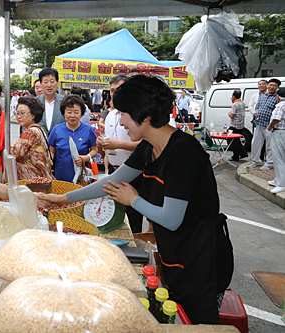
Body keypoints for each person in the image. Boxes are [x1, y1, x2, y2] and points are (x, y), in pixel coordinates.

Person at [38, 75, 234, 325]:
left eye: (124, 113)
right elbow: (111, 182)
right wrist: (63, 198)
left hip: (201, 258)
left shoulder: (184, 154)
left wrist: (134, 200)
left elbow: (171, 220)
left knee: (198, 322)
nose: (120, 121)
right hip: (174, 252)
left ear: (146, 116)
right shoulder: (148, 147)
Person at [96, 74, 144, 233]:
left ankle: (134, 251)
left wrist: (119, 144)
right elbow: (110, 141)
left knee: (133, 218)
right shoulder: (110, 115)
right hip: (115, 172)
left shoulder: (138, 114)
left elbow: (145, 145)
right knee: (114, 217)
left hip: (135, 173)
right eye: (112, 90)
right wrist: (102, 144)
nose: (114, 94)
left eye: (119, 89)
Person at [48, 94, 97, 183]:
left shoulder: (88, 130)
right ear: (63, 112)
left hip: (81, 178)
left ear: (82, 112)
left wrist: (86, 157)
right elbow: (51, 151)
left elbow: (95, 150)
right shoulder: (56, 130)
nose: (72, 116)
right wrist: (48, 164)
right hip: (60, 177)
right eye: (69, 112)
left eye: (76, 112)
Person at [11, 96, 53, 181]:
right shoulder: (39, 129)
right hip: (40, 178)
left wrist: (13, 145)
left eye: (22, 113)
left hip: (32, 179)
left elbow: (15, 153)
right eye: (17, 113)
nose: (19, 117)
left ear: (33, 115)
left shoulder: (29, 132)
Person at [248, 78, 282, 170]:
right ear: (268, 85)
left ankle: (269, 163)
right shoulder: (262, 95)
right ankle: (255, 160)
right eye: (270, 85)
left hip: (269, 125)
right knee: (255, 143)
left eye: (274, 85)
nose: (271, 87)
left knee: (269, 146)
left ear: (277, 87)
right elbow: (257, 107)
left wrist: (271, 125)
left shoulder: (277, 98)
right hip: (258, 123)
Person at [267, 88, 285, 193]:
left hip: (279, 132)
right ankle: (278, 179)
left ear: (278, 96)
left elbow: (277, 119)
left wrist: (270, 126)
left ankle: (281, 184)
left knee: (278, 158)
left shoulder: (280, 105)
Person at [37, 68, 65, 135]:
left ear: (57, 83)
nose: (49, 85)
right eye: (46, 82)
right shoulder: (35, 102)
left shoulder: (65, 102)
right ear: (41, 84)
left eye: (52, 82)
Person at [226, 90, 248, 162]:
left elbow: (232, 115)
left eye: (232, 97)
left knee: (231, 140)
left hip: (234, 125)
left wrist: (229, 113)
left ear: (234, 96)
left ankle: (239, 154)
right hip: (240, 125)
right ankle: (240, 154)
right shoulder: (242, 103)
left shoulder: (235, 104)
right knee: (236, 140)